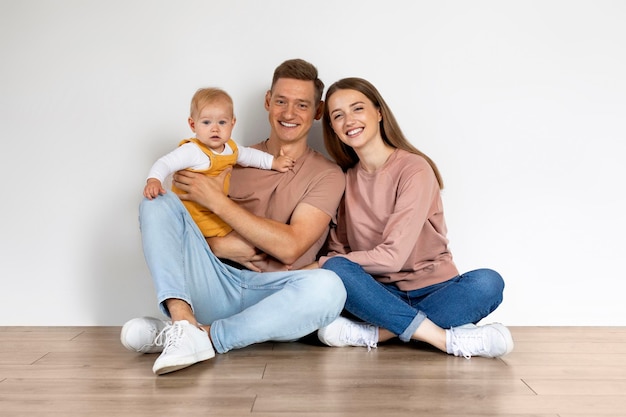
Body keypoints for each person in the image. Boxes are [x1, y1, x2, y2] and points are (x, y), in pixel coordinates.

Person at [120, 59, 347, 375]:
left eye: (302, 105)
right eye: (281, 101)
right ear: (268, 102)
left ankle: (202, 336)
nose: (289, 113)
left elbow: (291, 247)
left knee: (330, 287)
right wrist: (218, 246)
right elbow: (177, 225)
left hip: (275, 297)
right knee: (156, 204)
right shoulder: (223, 155)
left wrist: (216, 200)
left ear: (317, 111)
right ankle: (183, 321)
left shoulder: (327, 175)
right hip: (216, 281)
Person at [312, 77, 514, 358]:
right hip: (380, 293)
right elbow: (339, 252)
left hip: (436, 289)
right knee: (337, 268)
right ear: (332, 127)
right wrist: (328, 264)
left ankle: (377, 334)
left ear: (379, 112)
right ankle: (447, 339)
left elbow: (393, 257)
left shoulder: (414, 169)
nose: (349, 120)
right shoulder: (344, 180)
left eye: (357, 109)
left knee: (488, 283)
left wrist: (318, 264)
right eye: (338, 115)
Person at [144, 87, 295, 238]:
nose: (215, 129)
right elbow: (165, 163)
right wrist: (154, 180)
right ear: (192, 124)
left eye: (222, 122)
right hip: (193, 213)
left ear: (232, 123)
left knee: (246, 231)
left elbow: (251, 156)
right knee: (239, 238)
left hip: (214, 210)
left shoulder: (231, 148)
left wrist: (274, 162)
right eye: (206, 122)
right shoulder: (193, 151)